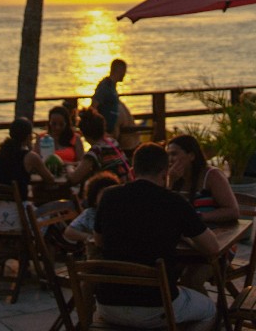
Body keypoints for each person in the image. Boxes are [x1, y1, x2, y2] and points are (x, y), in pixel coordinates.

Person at [93, 143, 219, 329]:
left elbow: (99, 241)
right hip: (156, 307)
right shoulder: (175, 202)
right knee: (210, 311)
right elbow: (212, 248)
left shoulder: (109, 196)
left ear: (133, 171)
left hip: (107, 305)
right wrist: (185, 236)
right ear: (164, 172)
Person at [0, 117, 56, 231]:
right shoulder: (30, 157)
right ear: (28, 136)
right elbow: (50, 179)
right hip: (16, 218)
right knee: (52, 216)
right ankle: (43, 247)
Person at [166, 134, 239, 225]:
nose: (170, 159)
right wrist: (171, 182)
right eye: (167, 155)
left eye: (174, 154)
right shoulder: (171, 177)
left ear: (191, 156)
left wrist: (197, 217)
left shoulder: (212, 175)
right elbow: (163, 210)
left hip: (212, 233)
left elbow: (233, 211)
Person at [65, 107, 132, 185]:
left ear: (85, 134)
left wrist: (68, 167)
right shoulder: (113, 142)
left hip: (112, 193)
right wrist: (73, 164)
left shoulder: (96, 151)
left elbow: (74, 178)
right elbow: (85, 164)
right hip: (126, 187)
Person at [63, 170, 122, 246]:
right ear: (94, 199)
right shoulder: (90, 213)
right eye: (104, 194)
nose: (109, 197)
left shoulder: (120, 211)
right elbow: (69, 232)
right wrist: (91, 237)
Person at [91, 58, 127, 136]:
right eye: (124, 71)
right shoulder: (105, 86)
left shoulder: (112, 86)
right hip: (105, 131)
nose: (125, 74)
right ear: (119, 70)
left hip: (112, 130)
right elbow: (94, 105)